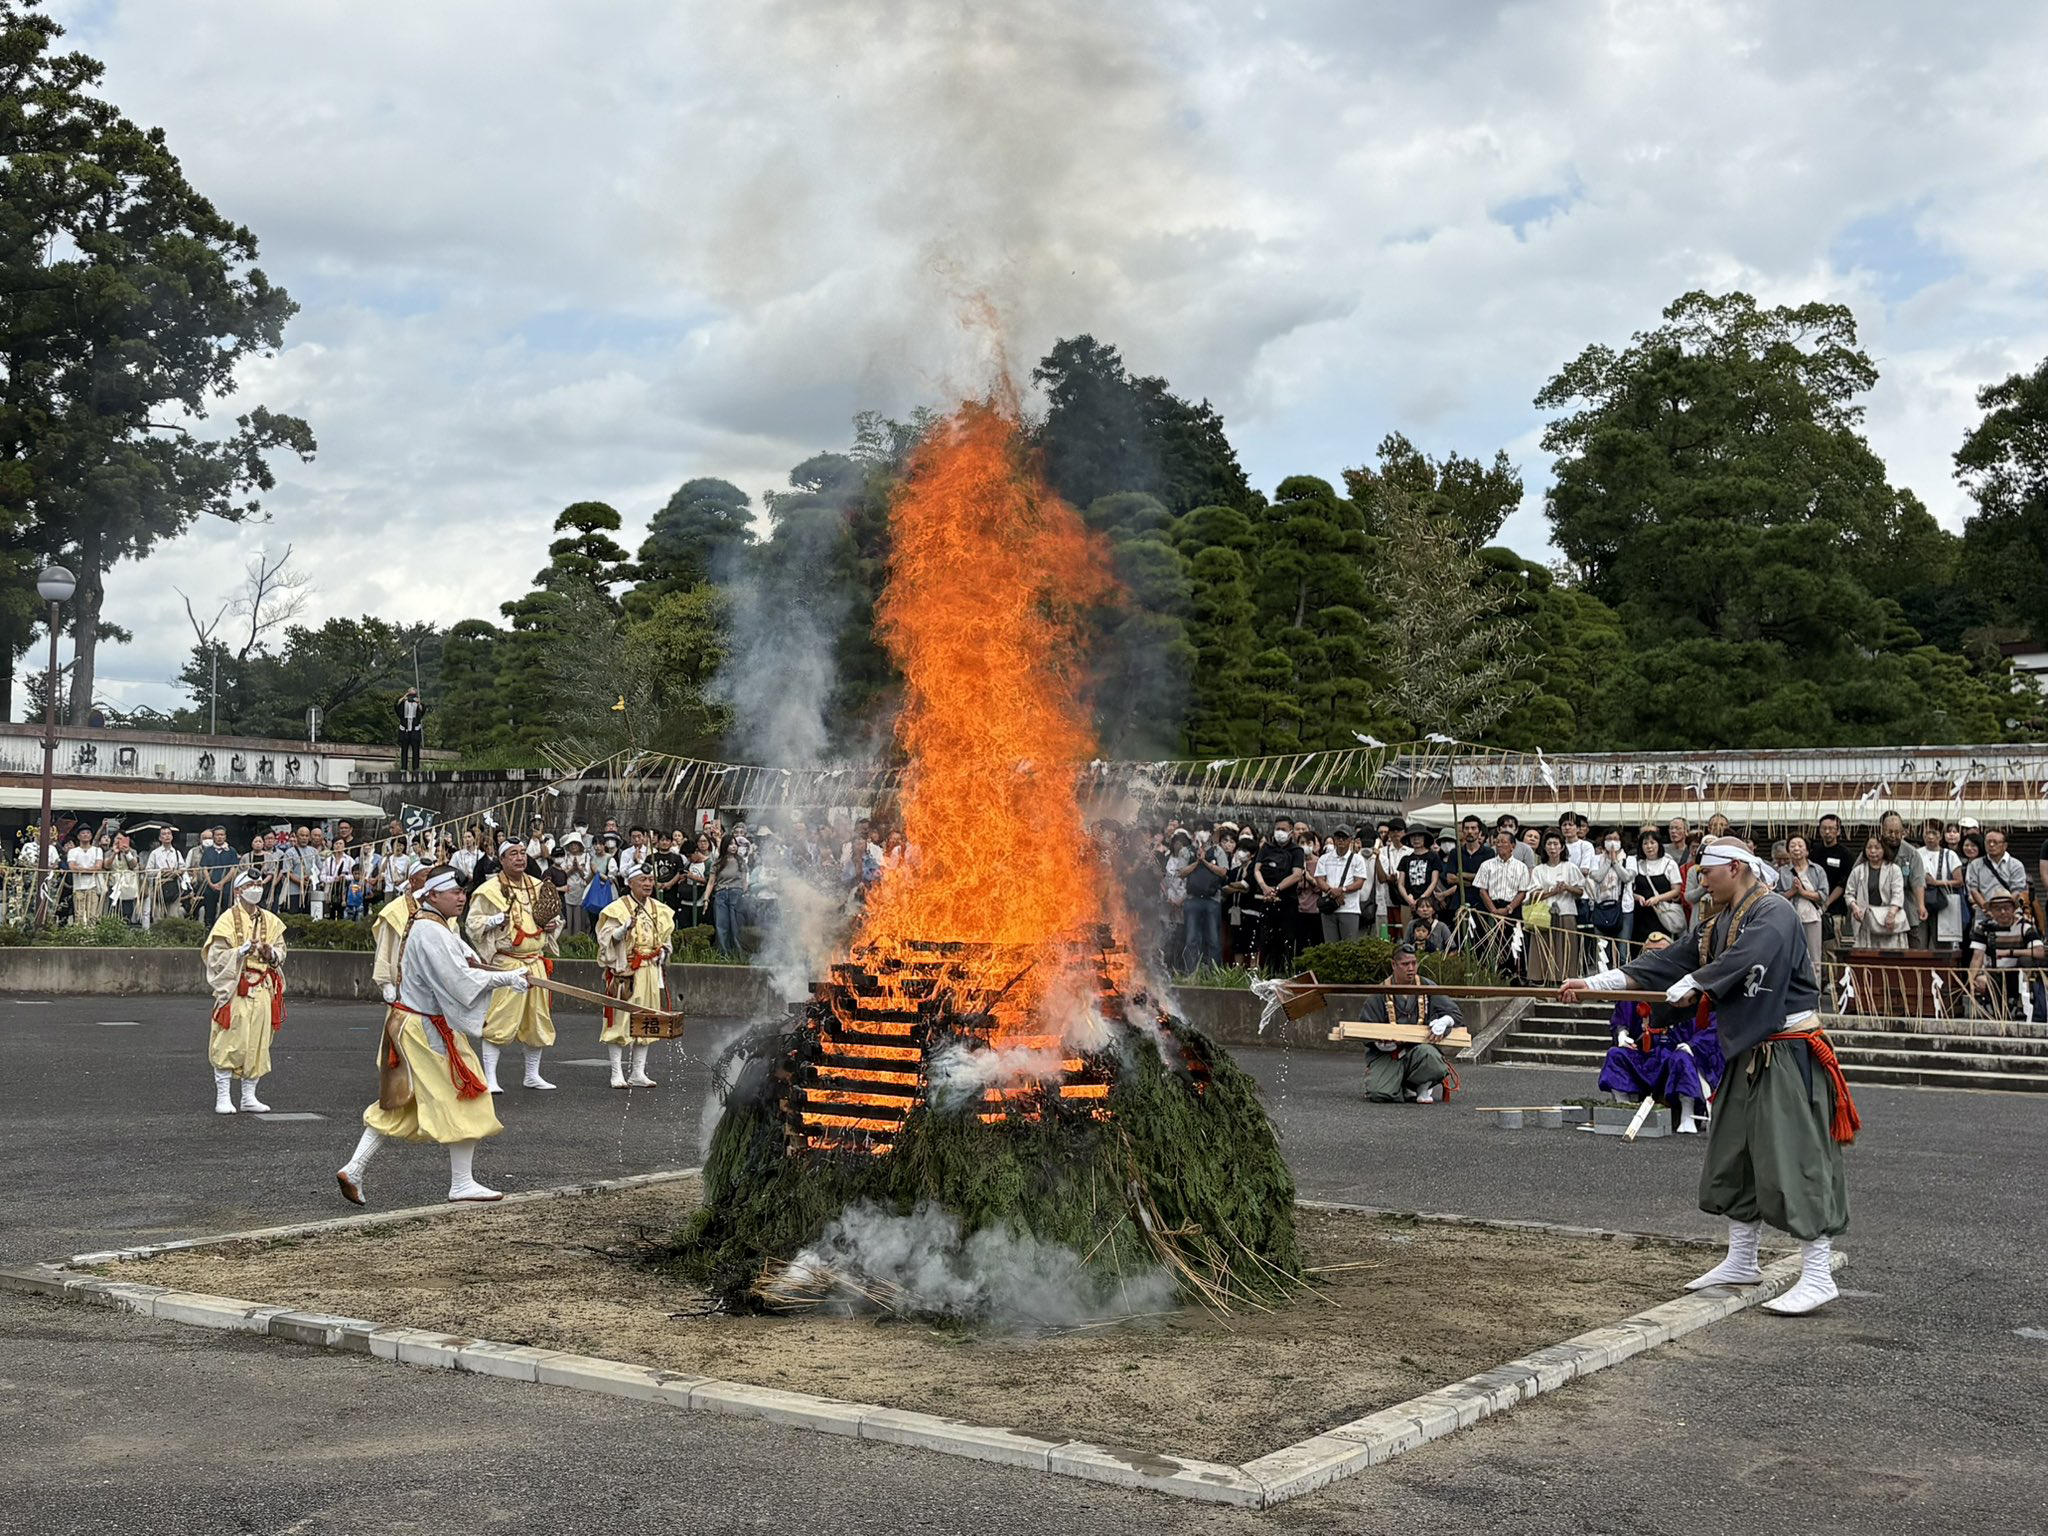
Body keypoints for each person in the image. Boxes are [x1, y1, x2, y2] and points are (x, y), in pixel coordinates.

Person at [1564, 835, 1857, 1316]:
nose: (1700, 881)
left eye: (1706, 872)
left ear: (1735, 868)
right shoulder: (1716, 923)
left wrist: (1697, 982)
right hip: (1746, 1049)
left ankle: (1818, 1273)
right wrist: (1597, 984)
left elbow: (1745, 958)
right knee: (1732, 1153)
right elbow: (1665, 962)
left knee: (1796, 1156)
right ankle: (1742, 1259)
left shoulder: (1775, 912)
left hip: (1787, 1051)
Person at [338, 865, 531, 1205]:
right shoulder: (431, 930)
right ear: (433, 895)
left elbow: (458, 966)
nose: (462, 898)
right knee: (469, 1093)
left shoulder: (431, 924)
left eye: (462, 892)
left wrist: (475, 961)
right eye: (454, 892)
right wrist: (505, 978)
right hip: (426, 1029)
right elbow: (458, 981)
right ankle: (461, 1183)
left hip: (414, 1024)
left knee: (401, 1101)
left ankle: (354, 1168)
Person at [1597, 935, 1721, 1134]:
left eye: (1661, 954)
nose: (1654, 959)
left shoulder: (1689, 988)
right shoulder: (1635, 991)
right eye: (1650, 954)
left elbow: (1710, 1025)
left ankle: (1687, 1115)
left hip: (1675, 1051)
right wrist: (1622, 1033)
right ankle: (1624, 1108)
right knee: (1616, 1055)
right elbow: (1621, 1019)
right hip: (1646, 1054)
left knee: (1683, 1058)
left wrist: (1692, 1046)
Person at [464, 841, 563, 1092]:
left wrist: (552, 925)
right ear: (502, 859)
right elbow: (472, 924)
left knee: (537, 1019)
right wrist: (493, 920)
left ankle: (532, 1075)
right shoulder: (489, 890)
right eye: (513, 854)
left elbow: (554, 917)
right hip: (507, 962)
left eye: (522, 853)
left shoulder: (538, 886)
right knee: (500, 1018)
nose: (519, 858)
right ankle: (490, 1077)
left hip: (535, 960)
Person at [202, 870, 288, 1114]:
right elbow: (215, 957)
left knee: (258, 1042)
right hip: (236, 988)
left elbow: (281, 952)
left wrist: (271, 953)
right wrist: (239, 952)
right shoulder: (227, 920)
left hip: (263, 989)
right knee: (230, 1040)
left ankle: (249, 1096)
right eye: (251, 884)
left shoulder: (270, 920)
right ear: (238, 891)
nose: (256, 888)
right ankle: (223, 1096)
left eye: (259, 883)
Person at [596, 865, 674, 1089]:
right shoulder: (617, 908)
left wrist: (663, 952)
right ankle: (616, 1072)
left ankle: (638, 1072)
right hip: (626, 970)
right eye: (643, 880)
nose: (648, 884)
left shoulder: (660, 909)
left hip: (650, 970)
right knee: (620, 1020)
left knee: (646, 1019)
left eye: (650, 879)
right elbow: (606, 938)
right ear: (630, 883)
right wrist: (623, 930)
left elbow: (666, 940)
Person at [1351, 943, 1461, 1103]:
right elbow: (1365, 1029)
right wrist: (1380, 1042)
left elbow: (1455, 1014)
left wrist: (1445, 1021)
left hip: (1420, 1051)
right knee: (1380, 1093)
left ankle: (1421, 1085)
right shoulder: (1380, 993)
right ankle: (1400, 1086)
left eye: (1414, 963)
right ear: (1393, 965)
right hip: (1389, 1054)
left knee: (1433, 1059)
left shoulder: (1427, 987)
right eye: (1405, 964)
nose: (1411, 968)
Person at [1966, 890, 2047, 1020]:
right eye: (1998, 909)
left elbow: (2039, 952)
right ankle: (1999, 1012)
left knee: (2026, 960)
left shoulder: (2024, 926)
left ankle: (2021, 1003)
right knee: (1982, 980)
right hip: (1994, 974)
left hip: (2017, 975)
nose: (2003, 912)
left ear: (2013, 909)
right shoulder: (1983, 928)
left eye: (2006, 908)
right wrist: (1971, 980)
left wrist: (2009, 952)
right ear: (1992, 911)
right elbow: (1977, 957)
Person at [1526, 830, 1585, 983]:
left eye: (1555, 844)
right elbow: (1533, 894)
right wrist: (1552, 892)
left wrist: (1566, 888)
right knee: (1542, 945)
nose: (1552, 848)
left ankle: (1564, 977)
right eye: (1549, 844)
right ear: (1544, 847)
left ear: (1562, 847)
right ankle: (1541, 977)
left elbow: (1581, 891)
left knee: (1566, 946)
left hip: (1566, 911)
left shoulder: (1570, 867)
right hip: (1544, 913)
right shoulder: (1539, 870)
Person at [1473, 827, 1532, 978]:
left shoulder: (1521, 867)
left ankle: (1512, 975)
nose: (1500, 845)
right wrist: (1493, 910)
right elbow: (1482, 890)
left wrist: (1509, 908)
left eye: (1504, 842)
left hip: (1512, 908)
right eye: (1497, 842)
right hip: (1491, 907)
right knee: (1489, 943)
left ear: (1513, 846)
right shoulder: (1486, 865)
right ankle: (1489, 975)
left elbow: (1522, 892)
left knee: (1512, 943)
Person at [1251, 819, 1308, 973]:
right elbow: (1256, 869)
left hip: (1287, 902)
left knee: (1286, 940)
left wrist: (1276, 889)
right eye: (1277, 829)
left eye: (1283, 829)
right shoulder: (1266, 847)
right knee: (1266, 941)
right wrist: (1264, 887)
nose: (1279, 832)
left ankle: (1285, 973)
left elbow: (1297, 875)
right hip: (1266, 900)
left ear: (1291, 832)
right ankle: (1267, 972)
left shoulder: (1297, 851)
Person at [1846, 835, 1907, 950]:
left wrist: (1891, 914)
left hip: (1888, 919)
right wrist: (1854, 907)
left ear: (1884, 849)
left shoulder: (1894, 869)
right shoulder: (1858, 871)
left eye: (1877, 848)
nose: (1873, 851)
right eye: (1869, 847)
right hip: (1865, 920)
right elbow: (1849, 893)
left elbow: (1898, 894)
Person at [1181, 826, 1229, 970]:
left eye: (1205, 830)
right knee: (1191, 939)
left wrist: (1206, 862)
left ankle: (1214, 972)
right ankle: (1191, 971)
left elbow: (1223, 872)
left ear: (1211, 834)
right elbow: (1181, 873)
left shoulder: (1217, 851)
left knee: (1213, 939)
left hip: (1212, 900)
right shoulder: (1187, 851)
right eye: (1199, 830)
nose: (1202, 833)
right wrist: (1197, 862)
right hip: (1192, 899)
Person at [1313, 826, 1369, 945]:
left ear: (1350, 840)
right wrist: (1331, 891)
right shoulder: (1324, 858)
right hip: (1329, 906)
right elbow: (1319, 879)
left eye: (1344, 837)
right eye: (1338, 837)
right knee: (1330, 945)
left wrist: (1342, 890)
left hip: (1349, 908)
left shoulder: (1358, 859)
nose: (1341, 840)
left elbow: (1359, 882)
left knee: (1349, 945)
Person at [1782, 836, 1828, 980]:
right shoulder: (1782, 872)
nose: (1796, 849)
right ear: (1788, 851)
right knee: (1790, 957)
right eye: (1792, 846)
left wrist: (1802, 892)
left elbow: (1823, 895)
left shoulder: (1817, 870)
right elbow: (1776, 896)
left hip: (1812, 918)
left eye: (1800, 845)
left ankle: (1815, 991)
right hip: (1789, 920)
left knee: (1814, 959)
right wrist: (1792, 892)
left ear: (1807, 851)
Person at [1628, 830, 1684, 946]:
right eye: (1645, 843)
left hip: (1662, 912)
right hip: (1641, 915)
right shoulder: (1636, 865)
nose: (1649, 846)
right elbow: (1629, 890)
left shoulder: (1669, 864)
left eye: (1652, 842)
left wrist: (1658, 898)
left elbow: (1676, 890)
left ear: (1659, 844)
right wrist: (1638, 897)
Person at [1967, 828, 2030, 922]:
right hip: (1984, 914)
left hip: (2011, 914)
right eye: (1988, 842)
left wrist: (2004, 910)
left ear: (2005, 845)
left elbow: (2017, 890)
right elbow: (1973, 889)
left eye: (1995, 842)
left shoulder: (2016, 865)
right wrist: (1987, 909)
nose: (1991, 845)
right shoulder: (1975, 865)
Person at [1924, 819, 1965, 953]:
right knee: (1920, 944)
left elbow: (1959, 881)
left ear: (1941, 835)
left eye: (1934, 833)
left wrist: (1936, 883)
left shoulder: (1950, 855)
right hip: (1920, 903)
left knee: (1942, 945)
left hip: (1942, 902)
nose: (1930, 837)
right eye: (1927, 833)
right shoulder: (1916, 853)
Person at [706, 831, 749, 957]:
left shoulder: (741, 862)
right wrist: (706, 899)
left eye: (735, 844)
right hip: (721, 894)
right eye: (730, 844)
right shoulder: (718, 863)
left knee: (736, 925)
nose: (733, 846)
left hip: (736, 893)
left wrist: (743, 894)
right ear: (725, 846)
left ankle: (739, 953)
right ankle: (724, 954)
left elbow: (744, 881)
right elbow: (711, 882)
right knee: (721, 925)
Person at [143, 826, 183, 931]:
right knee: (158, 917)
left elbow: (183, 869)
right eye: (164, 834)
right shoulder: (155, 853)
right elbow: (148, 871)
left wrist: (175, 872)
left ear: (172, 836)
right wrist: (161, 872)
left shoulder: (177, 853)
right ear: (160, 838)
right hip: (158, 888)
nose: (167, 836)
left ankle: (172, 938)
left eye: (169, 833)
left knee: (173, 918)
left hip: (173, 887)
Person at [66, 825, 105, 926]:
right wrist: (90, 870)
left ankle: (92, 933)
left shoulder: (97, 850)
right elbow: (72, 867)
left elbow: (98, 867)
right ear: (78, 836)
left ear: (91, 836)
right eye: (83, 833)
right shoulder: (73, 851)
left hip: (93, 886)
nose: (85, 835)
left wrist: (81, 870)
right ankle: (79, 934)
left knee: (92, 915)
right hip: (78, 887)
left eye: (88, 833)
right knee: (79, 914)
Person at [105, 832, 140, 925]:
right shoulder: (109, 852)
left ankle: (126, 922)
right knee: (113, 907)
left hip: (127, 883)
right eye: (117, 838)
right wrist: (114, 853)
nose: (119, 841)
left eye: (122, 838)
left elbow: (133, 865)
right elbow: (107, 865)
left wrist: (127, 853)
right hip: (114, 883)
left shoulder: (132, 851)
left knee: (127, 908)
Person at [395, 687, 427, 773]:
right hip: (404, 729)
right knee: (404, 749)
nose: (411, 697)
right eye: (410, 695)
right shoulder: (403, 703)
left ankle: (416, 767)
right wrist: (404, 697)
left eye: (413, 695)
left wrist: (418, 703)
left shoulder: (418, 704)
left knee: (416, 749)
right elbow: (397, 706)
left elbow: (422, 711)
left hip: (415, 729)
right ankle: (403, 768)